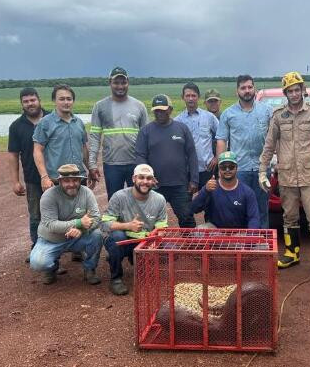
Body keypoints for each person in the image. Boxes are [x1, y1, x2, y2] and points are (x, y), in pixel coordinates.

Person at [258, 72, 310, 276]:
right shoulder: (279, 116)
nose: (294, 94)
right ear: (285, 93)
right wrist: (262, 171)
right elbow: (269, 146)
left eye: (297, 90)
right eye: (290, 91)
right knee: (289, 217)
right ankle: (292, 253)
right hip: (286, 176)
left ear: (303, 90)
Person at [28, 164, 104, 285]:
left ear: (80, 180)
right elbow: (51, 224)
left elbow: (96, 218)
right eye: (66, 181)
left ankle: (90, 268)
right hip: (51, 239)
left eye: (75, 180)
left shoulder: (87, 193)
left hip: (77, 237)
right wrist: (78, 223)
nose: (71, 184)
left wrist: (81, 230)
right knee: (38, 263)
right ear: (60, 181)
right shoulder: (48, 196)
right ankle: (51, 268)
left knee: (97, 235)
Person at [215, 75, 273, 228]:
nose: (247, 91)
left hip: (262, 169)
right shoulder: (228, 114)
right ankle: (241, 246)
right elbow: (221, 139)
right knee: (238, 208)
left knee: (262, 208)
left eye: (249, 87)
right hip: (239, 169)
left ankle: (262, 244)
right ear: (237, 91)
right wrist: (221, 166)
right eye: (243, 88)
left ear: (254, 89)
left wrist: (277, 160)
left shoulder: (267, 111)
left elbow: (275, 138)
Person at [102, 164, 168, 295]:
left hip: (144, 240)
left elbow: (161, 227)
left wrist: (156, 241)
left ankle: (136, 257)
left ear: (153, 181)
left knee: (165, 252)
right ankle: (116, 278)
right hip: (123, 238)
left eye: (149, 178)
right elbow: (104, 224)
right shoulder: (119, 196)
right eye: (141, 177)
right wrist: (127, 226)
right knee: (117, 237)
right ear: (133, 179)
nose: (145, 181)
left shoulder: (159, 199)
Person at [135, 94, 197, 228]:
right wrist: (148, 177)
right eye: (156, 110)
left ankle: (190, 247)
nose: (159, 113)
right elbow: (140, 156)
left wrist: (194, 180)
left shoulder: (182, 128)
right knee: (152, 220)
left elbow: (192, 154)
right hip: (155, 185)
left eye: (162, 110)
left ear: (170, 109)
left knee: (186, 217)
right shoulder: (146, 131)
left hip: (180, 185)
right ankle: (156, 247)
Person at [89, 66, 149, 199]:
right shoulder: (100, 107)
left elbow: (147, 138)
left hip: (136, 163)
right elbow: (94, 137)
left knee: (138, 200)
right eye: (116, 82)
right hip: (112, 164)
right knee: (115, 201)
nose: (120, 86)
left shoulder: (139, 106)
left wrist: (146, 163)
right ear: (109, 83)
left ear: (128, 83)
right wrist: (92, 164)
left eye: (123, 82)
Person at [7, 87, 48, 259]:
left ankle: (74, 248)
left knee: (66, 213)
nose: (30, 104)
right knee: (36, 216)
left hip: (56, 177)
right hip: (32, 179)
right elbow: (13, 155)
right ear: (22, 104)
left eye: (33, 100)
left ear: (39, 100)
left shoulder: (52, 119)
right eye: (26, 101)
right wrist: (15, 181)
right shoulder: (16, 126)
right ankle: (37, 248)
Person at [33, 84, 91, 189]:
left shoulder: (79, 123)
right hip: (56, 181)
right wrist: (44, 177)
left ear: (73, 101)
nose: (66, 102)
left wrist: (90, 169)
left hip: (79, 179)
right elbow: (37, 150)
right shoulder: (45, 123)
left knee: (82, 206)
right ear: (54, 101)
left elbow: (83, 149)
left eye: (69, 99)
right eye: (61, 99)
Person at [191, 151, 260, 229]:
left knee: (261, 239)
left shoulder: (247, 192)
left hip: (239, 234)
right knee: (199, 231)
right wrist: (205, 190)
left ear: (236, 168)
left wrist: (251, 236)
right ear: (219, 169)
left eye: (231, 166)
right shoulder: (210, 187)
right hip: (215, 231)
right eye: (223, 167)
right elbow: (194, 208)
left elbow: (254, 218)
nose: (227, 170)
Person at [175, 82, 219, 189]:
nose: (191, 99)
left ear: (198, 97)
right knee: (190, 202)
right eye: (187, 96)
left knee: (209, 202)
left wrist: (217, 157)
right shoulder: (177, 121)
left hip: (207, 169)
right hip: (187, 171)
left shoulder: (209, 117)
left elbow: (222, 137)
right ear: (183, 97)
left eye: (193, 96)